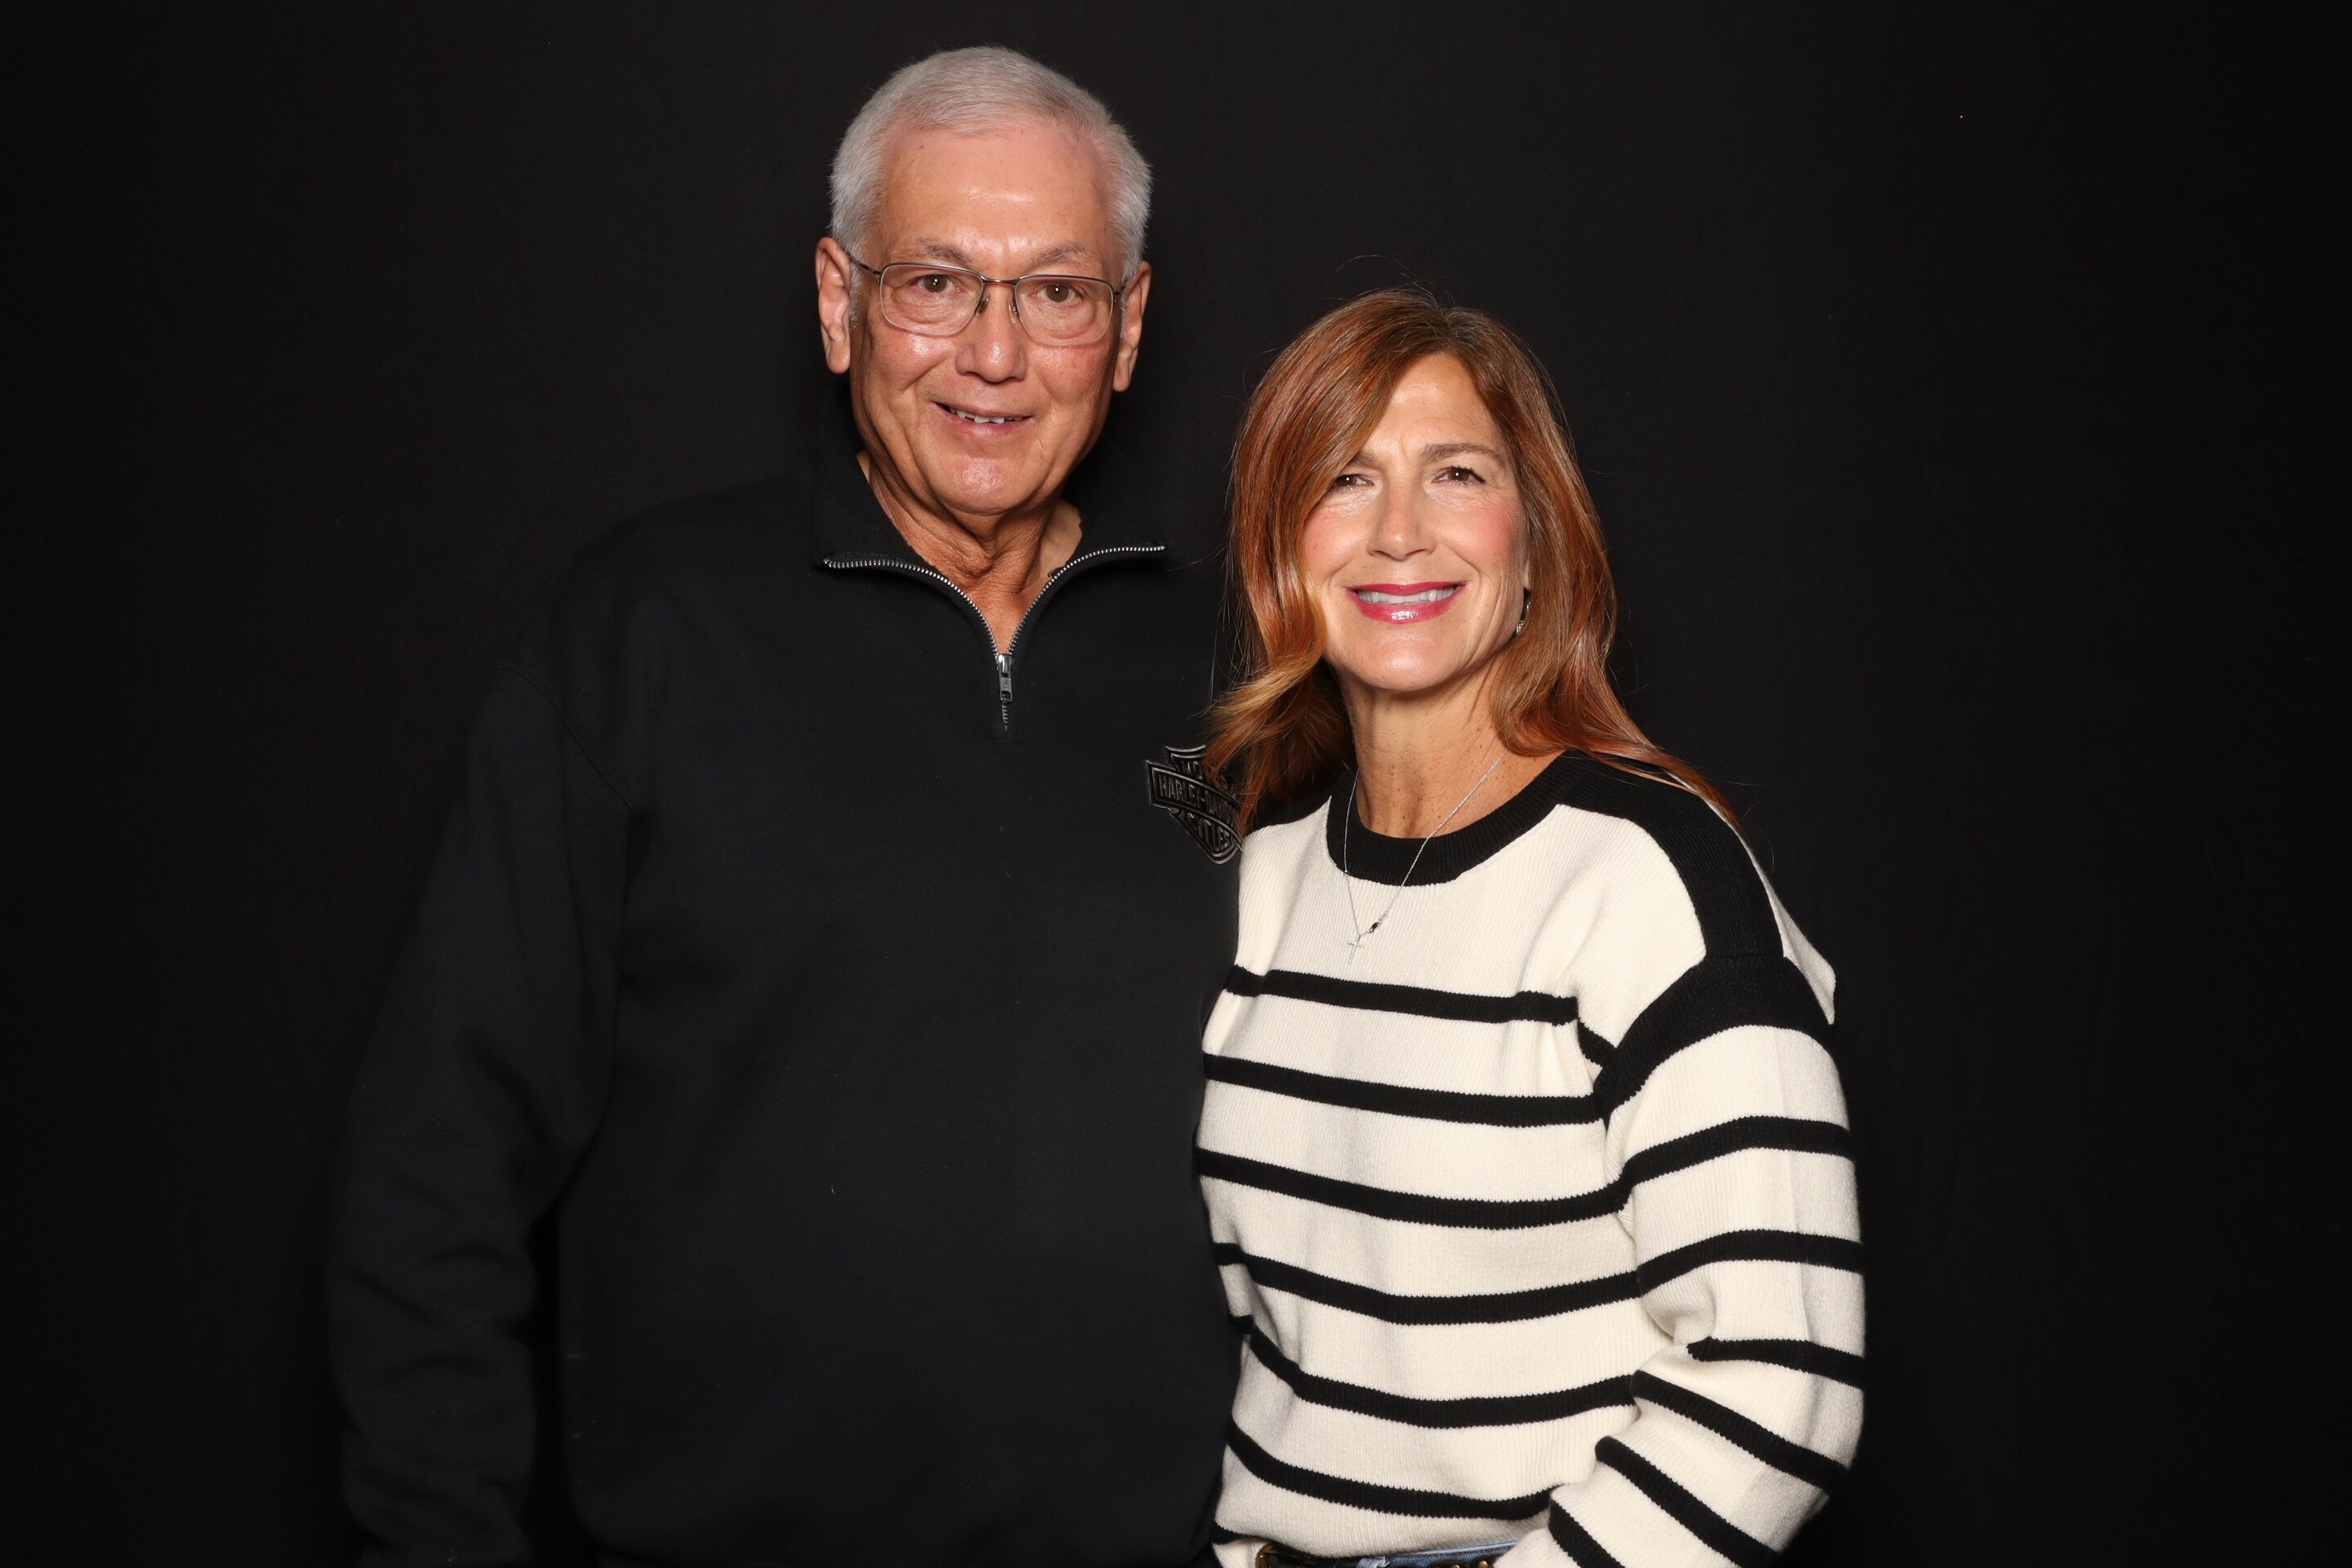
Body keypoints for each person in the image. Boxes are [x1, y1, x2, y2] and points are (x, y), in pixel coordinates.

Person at [330, 47, 1241, 1568]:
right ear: (838, 302)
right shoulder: (646, 633)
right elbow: (438, 1162)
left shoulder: (1246, 678)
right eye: (934, 282)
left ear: (1129, 326)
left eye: (1057, 291)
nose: (995, 353)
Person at [1194, 292, 1863, 1568]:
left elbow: (1786, 1385)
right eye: (1345, 479)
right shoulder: (1262, 878)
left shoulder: (1649, 880)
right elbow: (1280, 1350)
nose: (1400, 531)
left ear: (1537, 543)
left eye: (1457, 474)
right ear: (1284, 546)